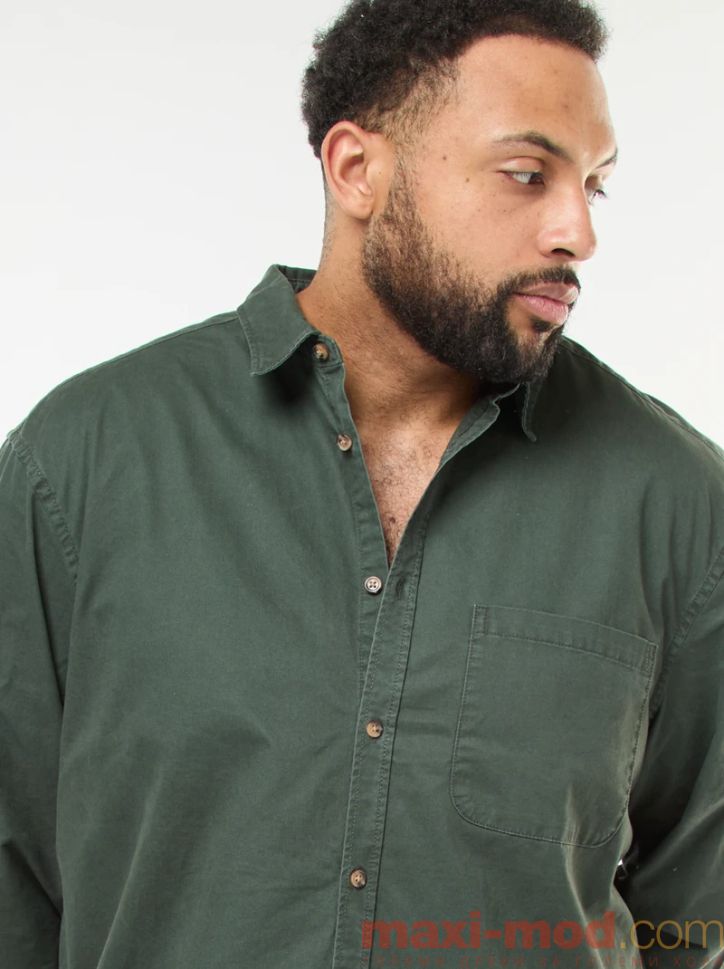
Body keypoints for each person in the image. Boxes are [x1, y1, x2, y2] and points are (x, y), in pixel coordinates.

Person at [1, 0, 722, 967]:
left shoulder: (676, 502)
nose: (578, 231)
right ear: (356, 169)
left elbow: (697, 909)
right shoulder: (84, 462)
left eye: (595, 185)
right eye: (528, 174)